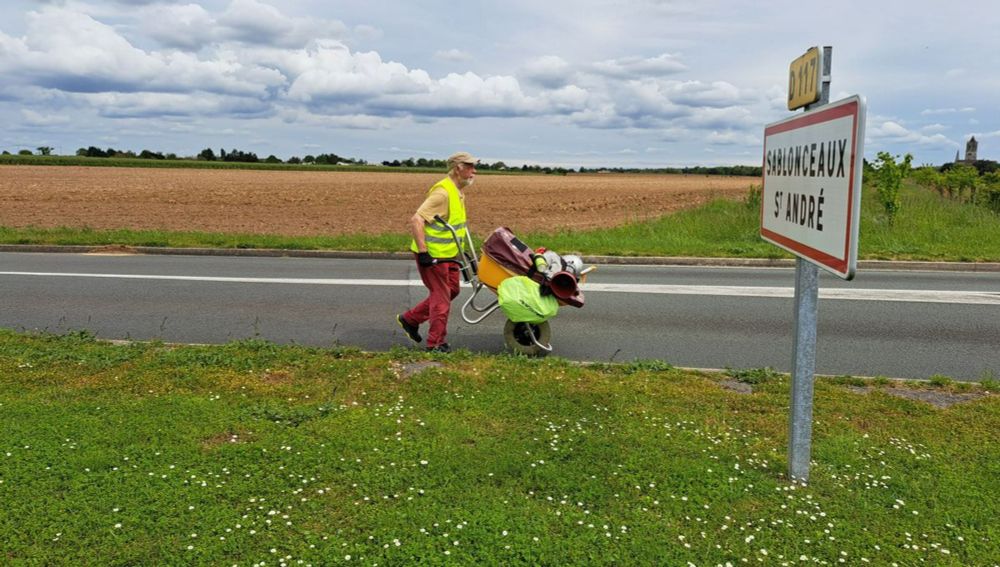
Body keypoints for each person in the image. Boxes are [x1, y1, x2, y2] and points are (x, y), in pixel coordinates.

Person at [396, 151, 478, 353]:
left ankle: (410, 319)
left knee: (453, 290)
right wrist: (423, 253)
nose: (474, 171)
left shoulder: (457, 191)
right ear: (458, 168)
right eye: (469, 167)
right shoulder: (442, 193)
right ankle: (436, 344)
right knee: (441, 299)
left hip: (449, 254)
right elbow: (417, 219)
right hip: (433, 256)